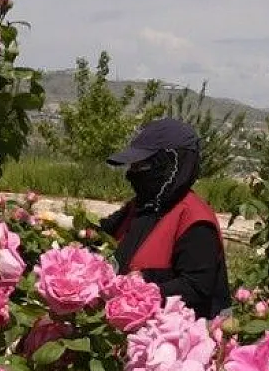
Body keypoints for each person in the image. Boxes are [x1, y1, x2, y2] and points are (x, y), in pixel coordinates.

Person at [99, 117, 232, 320]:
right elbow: (101, 234)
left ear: (170, 165)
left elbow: (195, 287)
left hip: (175, 337)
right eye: (132, 167)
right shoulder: (143, 206)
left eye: (140, 167)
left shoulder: (196, 221)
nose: (131, 175)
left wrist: (143, 283)